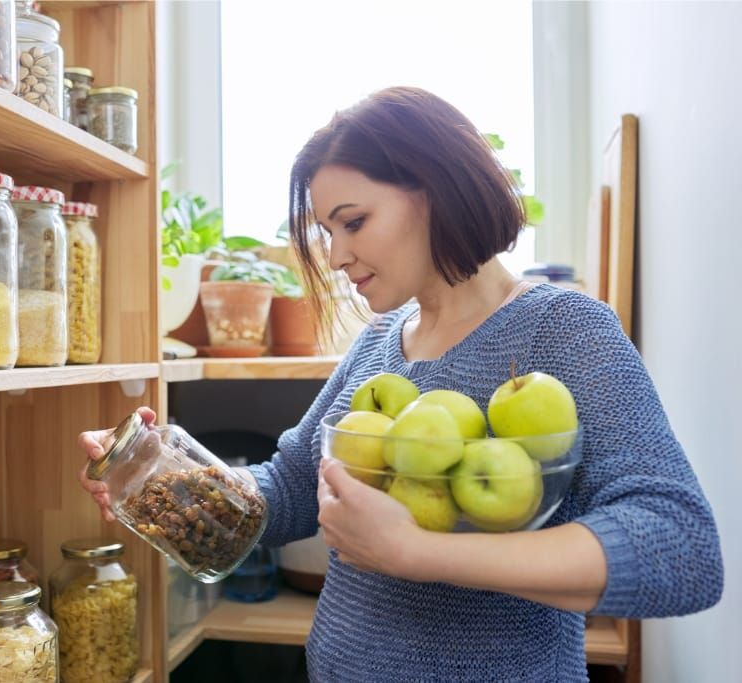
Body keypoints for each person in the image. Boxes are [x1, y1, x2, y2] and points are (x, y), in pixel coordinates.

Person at [78, 87, 723, 681]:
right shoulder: (378, 346)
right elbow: (293, 489)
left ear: (435, 188)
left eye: (353, 222)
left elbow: (681, 548)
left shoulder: (565, 330)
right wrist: (165, 478)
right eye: (327, 232)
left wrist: (419, 552)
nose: (334, 256)